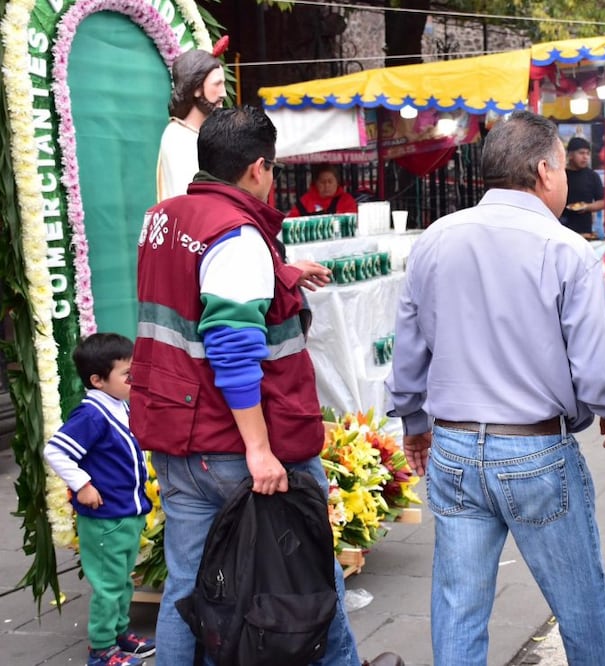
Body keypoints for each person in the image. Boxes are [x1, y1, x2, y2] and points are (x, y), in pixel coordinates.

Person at [387, 110, 605, 666]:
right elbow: (596, 370)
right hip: (534, 451)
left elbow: (409, 351)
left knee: (459, 607)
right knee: (583, 603)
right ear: (546, 171)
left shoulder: (435, 240)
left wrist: (413, 424)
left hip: (451, 448)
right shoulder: (566, 248)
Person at [129, 106, 360, 666]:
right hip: (238, 446)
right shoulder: (237, 237)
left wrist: (279, 273)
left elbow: (194, 289)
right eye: (274, 169)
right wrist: (259, 450)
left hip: (178, 436)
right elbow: (232, 349)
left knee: (188, 583)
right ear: (258, 168)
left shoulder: (163, 218)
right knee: (308, 575)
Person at [43, 333, 154, 666]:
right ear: (98, 380)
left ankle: (119, 634)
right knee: (108, 585)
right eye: (127, 374)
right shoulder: (91, 415)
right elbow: (55, 450)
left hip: (124, 512)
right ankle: (102, 649)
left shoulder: (117, 405)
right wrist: (83, 484)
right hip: (106, 518)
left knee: (121, 580)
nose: (134, 380)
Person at [156, 49, 227, 202]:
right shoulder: (178, 138)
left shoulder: (198, 134)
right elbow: (189, 200)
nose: (224, 93)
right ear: (195, 88)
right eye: (217, 84)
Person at [561, 136, 605, 235]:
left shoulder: (592, 176)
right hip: (561, 228)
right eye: (581, 153)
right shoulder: (560, 175)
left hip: (584, 231)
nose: (585, 157)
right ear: (570, 155)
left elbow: (603, 202)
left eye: (587, 153)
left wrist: (587, 207)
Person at [287, 164, 360, 217]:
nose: (327, 185)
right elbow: (291, 221)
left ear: (337, 183)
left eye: (330, 181)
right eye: (322, 182)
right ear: (316, 183)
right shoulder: (305, 201)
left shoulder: (346, 201)